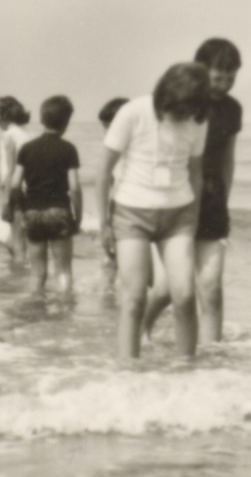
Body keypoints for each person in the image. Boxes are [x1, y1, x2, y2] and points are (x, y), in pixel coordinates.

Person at [96, 64, 210, 360]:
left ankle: (187, 370)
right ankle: (129, 372)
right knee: (134, 298)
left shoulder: (199, 120)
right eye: (178, 111)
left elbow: (196, 172)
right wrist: (103, 224)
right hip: (132, 213)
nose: (182, 117)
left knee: (184, 295)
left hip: (179, 215)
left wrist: (195, 218)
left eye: (189, 111)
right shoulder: (132, 112)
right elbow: (103, 171)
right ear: (166, 96)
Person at [146, 39, 243, 343]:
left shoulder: (232, 109)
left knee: (211, 287)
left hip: (212, 198)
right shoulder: (182, 102)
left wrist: (224, 200)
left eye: (231, 79)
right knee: (168, 288)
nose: (224, 86)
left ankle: (212, 356)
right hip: (175, 198)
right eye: (218, 78)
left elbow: (227, 158)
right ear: (201, 70)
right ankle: (140, 329)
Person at [12, 95, 81, 298]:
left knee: (37, 273)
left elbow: (15, 184)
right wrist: (77, 218)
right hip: (58, 211)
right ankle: (65, 311)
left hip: (32, 212)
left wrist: (23, 207)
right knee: (63, 270)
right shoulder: (68, 149)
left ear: (42, 119)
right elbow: (75, 188)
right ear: (66, 122)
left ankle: (35, 309)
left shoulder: (27, 148)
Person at [0, 96, 33, 263]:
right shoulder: (24, 135)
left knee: (17, 242)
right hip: (25, 187)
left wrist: (6, 201)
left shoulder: (9, 135)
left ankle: (19, 273)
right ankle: (19, 268)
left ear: (4, 116)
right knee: (13, 240)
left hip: (15, 189)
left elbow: (10, 170)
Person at [96, 98, 129, 296]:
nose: (106, 133)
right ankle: (107, 300)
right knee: (111, 259)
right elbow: (107, 181)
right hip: (117, 207)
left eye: (108, 127)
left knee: (113, 261)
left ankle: (107, 298)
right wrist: (105, 221)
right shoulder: (115, 148)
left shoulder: (125, 148)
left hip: (125, 208)